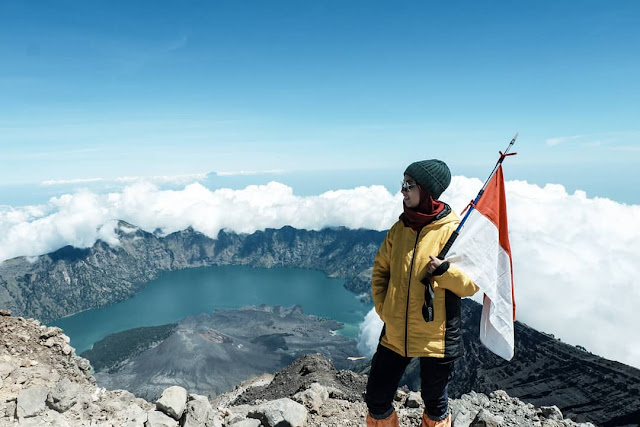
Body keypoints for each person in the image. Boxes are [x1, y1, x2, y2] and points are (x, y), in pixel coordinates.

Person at [365, 159, 479, 427]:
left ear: (427, 190)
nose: (402, 191)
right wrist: (384, 308)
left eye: (409, 185)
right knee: (377, 398)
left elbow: (470, 286)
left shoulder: (452, 231)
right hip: (395, 331)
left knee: (435, 402)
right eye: (402, 184)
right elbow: (380, 269)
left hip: (436, 336)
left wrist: (445, 271)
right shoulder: (400, 228)